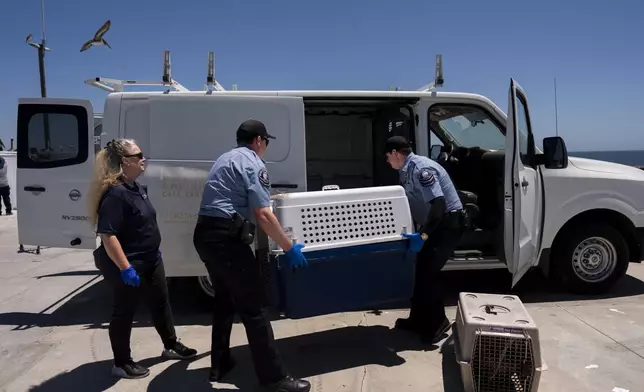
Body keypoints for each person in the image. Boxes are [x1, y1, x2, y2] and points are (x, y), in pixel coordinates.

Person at [193, 119, 311, 392]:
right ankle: (274, 378)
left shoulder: (225, 158)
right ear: (258, 140)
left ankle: (220, 363)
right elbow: (263, 215)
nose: (266, 147)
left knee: (224, 300)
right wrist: (289, 247)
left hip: (205, 236)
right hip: (226, 240)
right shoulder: (253, 163)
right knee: (254, 307)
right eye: (266, 142)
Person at [88, 138, 197, 379]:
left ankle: (170, 345)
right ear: (125, 162)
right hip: (129, 264)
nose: (143, 159)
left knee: (161, 303)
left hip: (151, 260)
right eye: (138, 156)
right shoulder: (116, 194)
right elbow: (108, 236)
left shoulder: (136, 187)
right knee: (124, 311)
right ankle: (122, 362)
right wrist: (125, 268)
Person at [384, 136, 466, 344]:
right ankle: (418, 320)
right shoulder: (406, 170)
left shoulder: (421, 170)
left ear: (395, 153)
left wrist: (423, 236)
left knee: (428, 275)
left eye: (387, 156)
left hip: (448, 225)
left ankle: (438, 323)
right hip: (434, 226)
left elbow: (438, 207)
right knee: (418, 273)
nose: (387, 161)